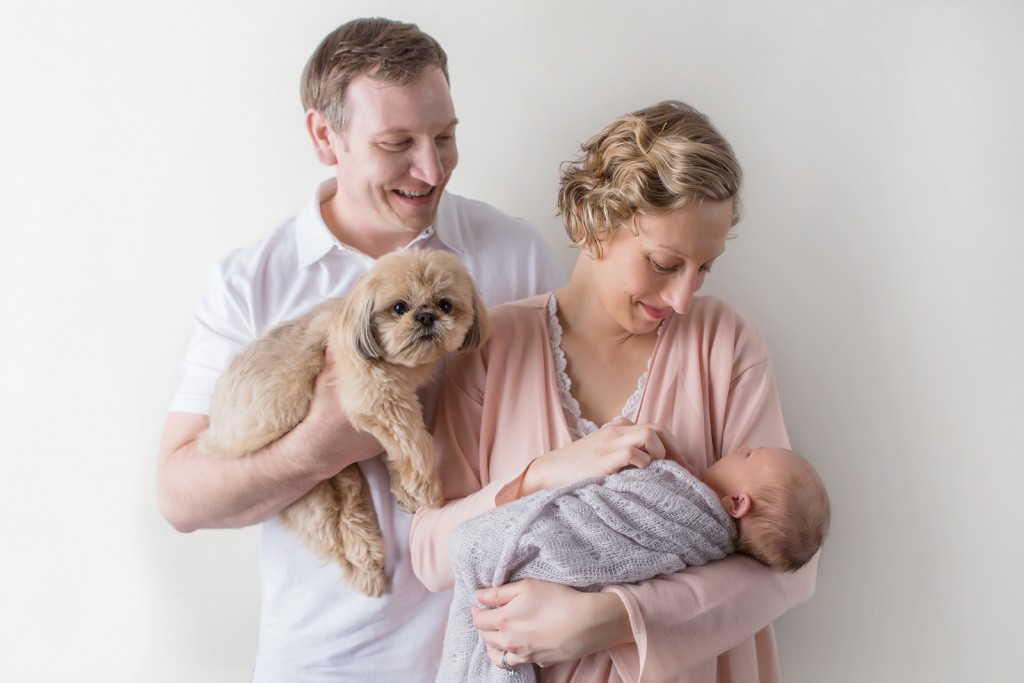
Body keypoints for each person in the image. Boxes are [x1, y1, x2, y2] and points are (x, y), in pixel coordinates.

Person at [156, 17, 565, 683]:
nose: (430, 169)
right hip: (323, 665)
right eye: (397, 143)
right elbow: (179, 494)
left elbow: (572, 435)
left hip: (496, 655)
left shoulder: (514, 255)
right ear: (325, 136)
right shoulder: (252, 281)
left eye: (445, 137)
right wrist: (317, 446)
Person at [410, 100, 822, 682]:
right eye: (663, 262)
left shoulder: (722, 341)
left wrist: (612, 617)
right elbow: (430, 552)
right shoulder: (492, 346)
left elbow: (791, 565)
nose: (682, 298)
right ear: (593, 218)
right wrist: (542, 474)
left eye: (705, 268)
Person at [438, 445, 830, 682]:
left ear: (738, 503)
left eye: (747, 455)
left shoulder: (684, 513)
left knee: (477, 548)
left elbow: (621, 519)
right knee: (474, 550)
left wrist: (606, 616)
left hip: (546, 559)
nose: (739, 445)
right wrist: (543, 471)